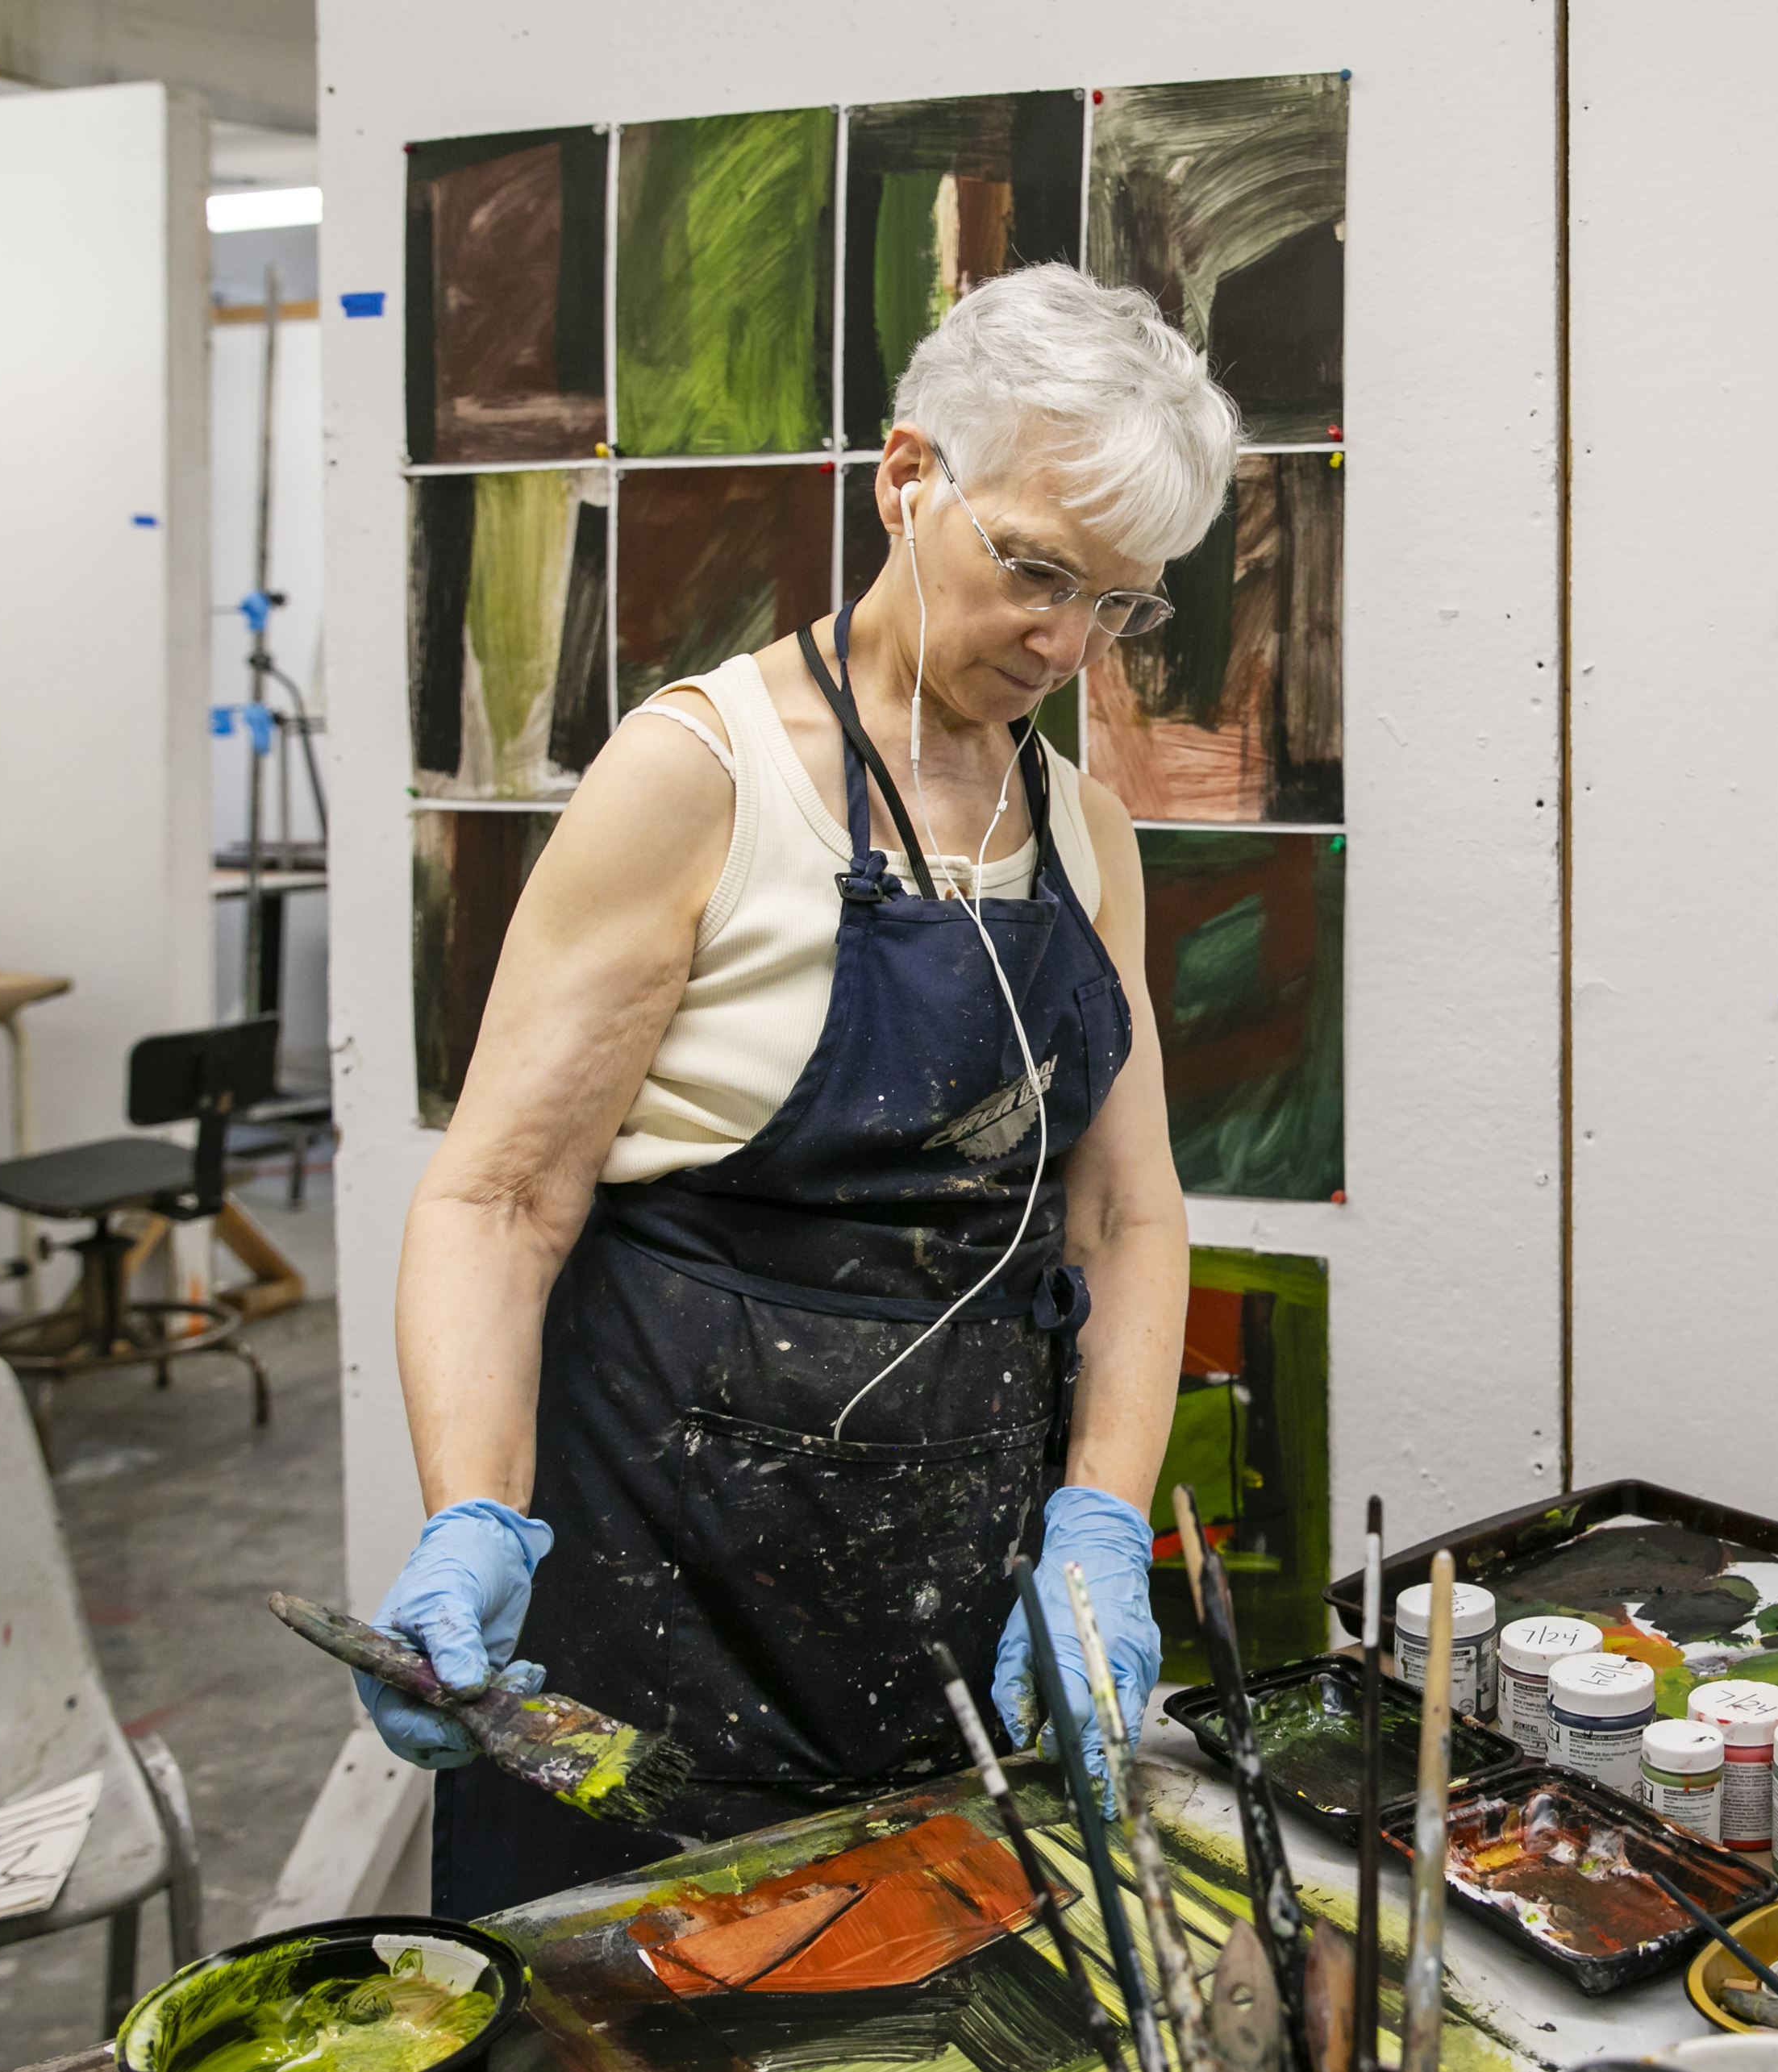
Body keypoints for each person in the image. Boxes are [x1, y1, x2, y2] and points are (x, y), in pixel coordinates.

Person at [364, 267, 1236, 1917]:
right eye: (1035, 569)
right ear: (908, 477)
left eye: (1121, 604)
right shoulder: (700, 774)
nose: (1066, 643)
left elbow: (1125, 1215)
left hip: (951, 1593)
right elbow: (500, 1195)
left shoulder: (1083, 831)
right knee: (634, 2022)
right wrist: (471, 1510)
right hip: (662, 1584)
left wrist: (1100, 1525)